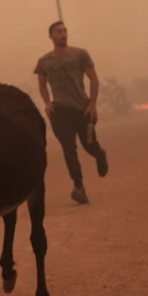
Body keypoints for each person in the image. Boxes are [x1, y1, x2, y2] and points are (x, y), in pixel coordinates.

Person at [34, 20, 109, 205]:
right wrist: (47, 103)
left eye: (65, 31)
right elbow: (42, 84)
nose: (63, 34)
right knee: (69, 149)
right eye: (59, 31)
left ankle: (100, 155)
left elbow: (94, 79)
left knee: (89, 145)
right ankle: (79, 187)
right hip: (60, 112)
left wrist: (92, 105)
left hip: (83, 110)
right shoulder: (44, 61)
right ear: (51, 36)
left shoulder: (80, 55)